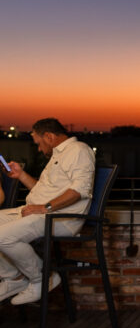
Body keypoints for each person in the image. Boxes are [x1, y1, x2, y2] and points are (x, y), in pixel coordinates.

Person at [0, 118, 96, 305]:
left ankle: (42, 278)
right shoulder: (58, 155)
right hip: (39, 213)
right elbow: (44, 191)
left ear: (49, 137)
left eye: (38, 143)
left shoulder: (79, 151)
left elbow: (79, 191)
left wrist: (44, 208)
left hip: (61, 219)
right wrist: (20, 175)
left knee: (2, 237)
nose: (39, 149)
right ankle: (14, 279)